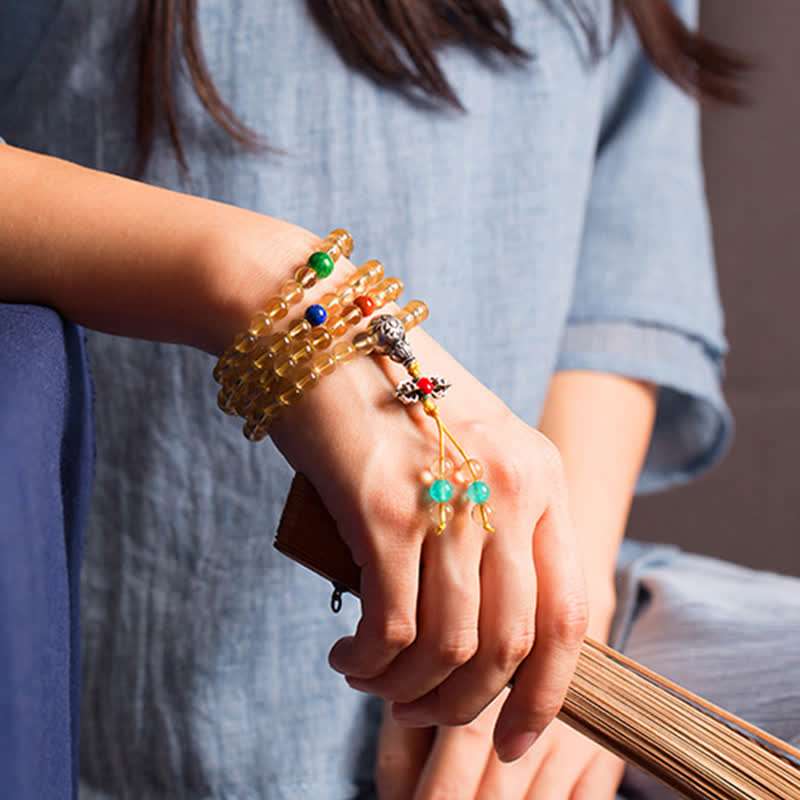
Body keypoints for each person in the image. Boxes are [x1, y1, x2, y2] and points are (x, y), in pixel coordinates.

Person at [1, 1, 797, 799]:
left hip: (531, 639)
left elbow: (621, 256)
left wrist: (548, 615)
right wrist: (273, 288)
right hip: (147, 692)